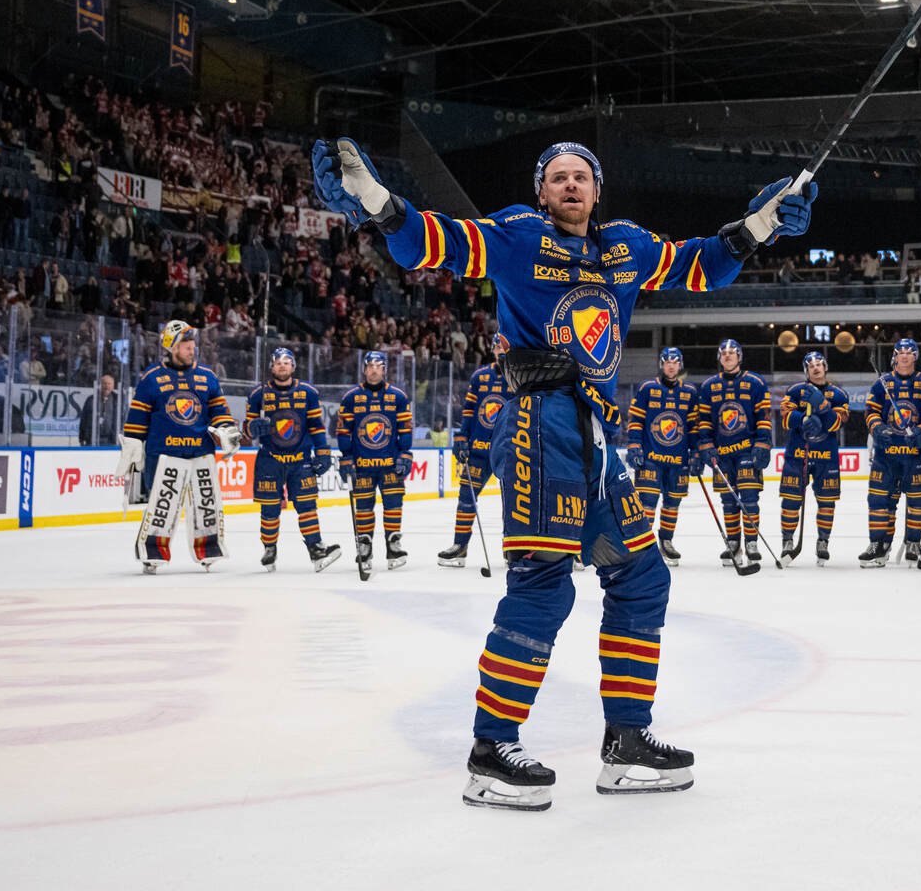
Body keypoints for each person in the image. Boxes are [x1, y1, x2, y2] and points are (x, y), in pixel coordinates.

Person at [313, 135, 813, 809]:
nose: (570, 186)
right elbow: (436, 243)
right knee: (544, 588)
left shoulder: (627, 248)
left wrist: (763, 223)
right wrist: (376, 202)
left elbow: (703, 264)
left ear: (597, 189)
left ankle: (626, 741)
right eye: (557, 178)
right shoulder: (517, 235)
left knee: (641, 574)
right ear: (541, 190)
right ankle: (491, 751)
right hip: (537, 426)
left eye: (582, 176)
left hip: (597, 439)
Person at [123, 319, 239, 573]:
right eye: (185, 344)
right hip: (163, 453)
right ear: (171, 347)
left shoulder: (207, 377)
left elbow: (220, 411)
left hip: (201, 452)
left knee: (206, 503)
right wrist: (132, 443)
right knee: (162, 505)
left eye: (191, 343)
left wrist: (227, 429)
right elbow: (137, 418)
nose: (191, 348)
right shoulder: (152, 378)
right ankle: (152, 552)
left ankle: (209, 549)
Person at [244, 347, 341, 572]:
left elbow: (317, 426)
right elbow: (246, 432)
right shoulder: (258, 394)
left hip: (300, 460)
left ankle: (316, 549)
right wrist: (252, 427)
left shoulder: (308, 393)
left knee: (307, 506)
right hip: (270, 458)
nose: (282, 366)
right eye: (277, 362)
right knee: (269, 508)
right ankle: (269, 549)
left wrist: (324, 451)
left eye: (286, 362)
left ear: (293, 367)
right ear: (271, 367)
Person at [859, 337, 921, 567]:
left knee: (917, 501)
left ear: (915, 356)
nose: (905, 355)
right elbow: (870, 412)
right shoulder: (882, 383)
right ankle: (878, 544)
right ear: (895, 356)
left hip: (917, 456)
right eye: (900, 352)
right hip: (887, 456)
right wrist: (878, 428)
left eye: (909, 352)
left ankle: (913, 542)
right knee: (879, 500)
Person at [336, 350, 415, 574]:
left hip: (390, 464)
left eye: (378, 366)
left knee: (393, 505)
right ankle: (365, 546)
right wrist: (346, 458)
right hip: (362, 466)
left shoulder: (398, 397)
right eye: (369, 366)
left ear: (384, 369)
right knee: (363, 508)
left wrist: (405, 454)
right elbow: (343, 431)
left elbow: (405, 431)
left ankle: (393, 545)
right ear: (364, 369)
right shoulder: (351, 397)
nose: (373, 370)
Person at [694, 338, 770, 570]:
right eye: (723, 353)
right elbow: (704, 421)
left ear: (739, 357)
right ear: (719, 358)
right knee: (728, 501)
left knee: (749, 497)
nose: (728, 356)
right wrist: (706, 446)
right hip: (722, 454)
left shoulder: (755, 383)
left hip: (747, 449)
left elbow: (764, 417)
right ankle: (733, 542)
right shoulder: (708, 387)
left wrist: (763, 444)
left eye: (732, 353)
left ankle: (752, 543)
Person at [626, 346, 703, 565]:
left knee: (672, 504)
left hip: (678, 460)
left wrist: (696, 452)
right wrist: (634, 446)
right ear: (662, 364)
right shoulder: (647, 388)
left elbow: (693, 427)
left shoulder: (689, 392)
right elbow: (636, 421)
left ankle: (666, 542)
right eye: (667, 362)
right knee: (647, 503)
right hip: (651, 457)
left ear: (680, 365)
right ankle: (644, 545)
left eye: (675, 362)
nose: (671, 366)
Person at [441, 331, 509, 567]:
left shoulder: (518, 377)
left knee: (513, 503)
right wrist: (461, 436)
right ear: (492, 349)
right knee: (466, 498)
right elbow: (469, 410)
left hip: (508, 453)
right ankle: (460, 546)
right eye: (497, 347)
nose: (501, 351)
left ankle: (512, 549)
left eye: (505, 347)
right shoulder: (480, 377)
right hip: (478, 450)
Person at [777, 348, 849, 564]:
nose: (815, 367)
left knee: (827, 501)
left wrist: (823, 407)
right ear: (806, 370)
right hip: (798, 454)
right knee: (790, 500)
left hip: (826, 456)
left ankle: (823, 542)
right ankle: (787, 540)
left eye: (819, 364)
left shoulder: (839, 394)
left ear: (825, 367)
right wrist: (802, 420)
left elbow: (837, 423)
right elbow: (785, 417)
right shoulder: (795, 391)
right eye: (811, 365)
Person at [79, 372, 120, 446]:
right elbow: (84, 419)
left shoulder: (117, 400)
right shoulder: (91, 399)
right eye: (104, 383)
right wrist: (81, 437)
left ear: (113, 386)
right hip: (92, 440)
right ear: (100, 385)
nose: (106, 386)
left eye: (109, 384)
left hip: (111, 441)